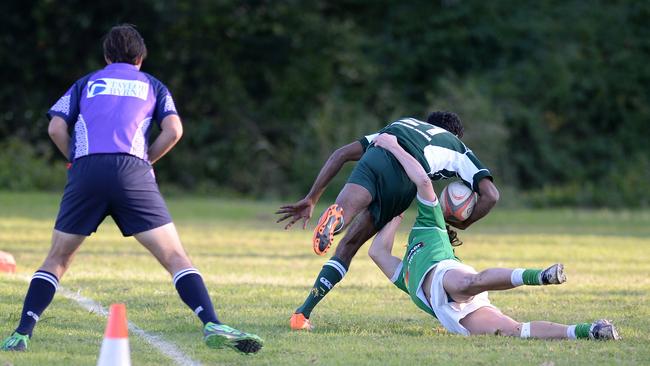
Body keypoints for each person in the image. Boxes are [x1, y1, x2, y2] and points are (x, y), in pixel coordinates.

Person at [0, 24, 263, 354]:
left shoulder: (87, 83)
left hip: (87, 172)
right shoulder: (153, 85)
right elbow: (174, 130)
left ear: (107, 57)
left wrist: (77, 159)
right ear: (140, 58)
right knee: (174, 256)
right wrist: (147, 161)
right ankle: (211, 321)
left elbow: (55, 127)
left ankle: (22, 333)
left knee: (58, 257)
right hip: (133, 172)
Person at [367, 133, 619, 340]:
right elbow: (377, 252)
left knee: (470, 283)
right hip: (450, 313)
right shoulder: (407, 277)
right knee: (513, 331)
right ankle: (592, 331)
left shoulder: (428, 225)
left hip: (448, 275)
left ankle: (540, 276)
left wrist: (393, 145)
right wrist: (396, 211)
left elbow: (423, 180)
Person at [277, 113, 499, 330]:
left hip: (375, 157)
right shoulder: (457, 147)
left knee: (344, 213)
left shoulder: (406, 124)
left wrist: (311, 198)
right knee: (348, 246)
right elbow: (491, 195)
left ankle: (334, 224)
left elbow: (341, 154)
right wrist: (462, 224)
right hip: (403, 177)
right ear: (455, 135)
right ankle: (301, 314)